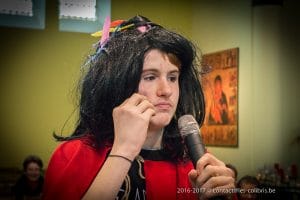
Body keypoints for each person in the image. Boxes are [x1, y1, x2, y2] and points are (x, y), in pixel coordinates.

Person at [43, 15, 235, 200]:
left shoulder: (197, 164)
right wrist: (124, 150)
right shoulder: (73, 155)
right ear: (118, 86)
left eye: (172, 77)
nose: (166, 90)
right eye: (150, 77)